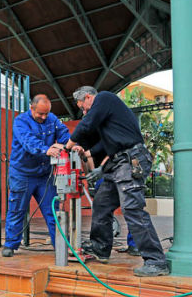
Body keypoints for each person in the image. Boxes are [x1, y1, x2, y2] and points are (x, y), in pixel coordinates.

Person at [66, 86, 168, 277]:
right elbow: (103, 144)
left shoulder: (104, 97)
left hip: (132, 158)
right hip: (117, 162)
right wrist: (86, 153)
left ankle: (156, 260)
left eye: (84, 107)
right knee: (102, 203)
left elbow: (86, 125)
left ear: (89, 97)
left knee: (132, 208)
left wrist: (67, 146)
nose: (85, 112)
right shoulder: (110, 121)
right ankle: (100, 248)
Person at [2, 94, 70, 257]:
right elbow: (28, 141)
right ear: (31, 108)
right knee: (17, 209)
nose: (44, 117)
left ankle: (60, 246)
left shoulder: (52, 119)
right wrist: (45, 149)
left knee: (53, 211)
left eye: (46, 113)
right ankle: (10, 245)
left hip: (44, 175)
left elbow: (64, 135)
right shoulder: (21, 121)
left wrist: (69, 145)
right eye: (40, 113)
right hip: (22, 174)